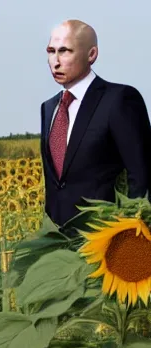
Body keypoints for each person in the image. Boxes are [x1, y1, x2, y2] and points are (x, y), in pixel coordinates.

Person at [40, 19, 151, 228]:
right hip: (56, 241)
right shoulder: (49, 108)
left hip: (104, 238)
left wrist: (131, 235)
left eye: (65, 51)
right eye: (51, 51)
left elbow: (142, 177)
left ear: (91, 54)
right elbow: (57, 185)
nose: (55, 61)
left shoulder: (119, 99)